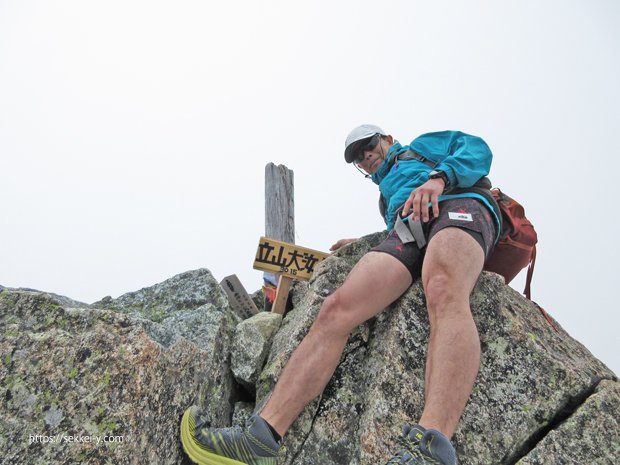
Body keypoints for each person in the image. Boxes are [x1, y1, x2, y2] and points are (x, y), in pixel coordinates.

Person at [180, 124, 502, 465]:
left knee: (443, 287)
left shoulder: (420, 148)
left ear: (388, 139)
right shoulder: (386, 197)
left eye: (369, 145)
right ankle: (259, 440)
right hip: (406, 228)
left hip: (457, 202)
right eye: (358, 157)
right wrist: (366, 241)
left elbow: (476, 148)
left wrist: (438, 179)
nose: (366, 156)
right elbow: (395, 219)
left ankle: (432, 449)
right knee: (335, 309)